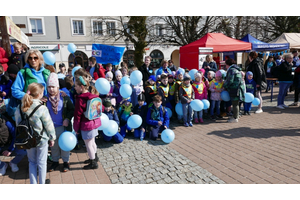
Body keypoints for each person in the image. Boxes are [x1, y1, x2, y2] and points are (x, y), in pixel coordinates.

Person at [14, 83, 56, 184]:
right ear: (39, 94)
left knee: (32, 162)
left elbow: (17, 122)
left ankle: (33, 184)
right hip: (41, 139)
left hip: (27, 139)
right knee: (42, 163)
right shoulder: (41, 108)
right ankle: (41, 183)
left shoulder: (20, 107)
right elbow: (48, 125)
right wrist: (52, 138)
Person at [46, 73, 74, 172]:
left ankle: (66, 161)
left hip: (63, 126)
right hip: (51, 127)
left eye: (53, 87)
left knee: (64, 144)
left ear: (57, 87)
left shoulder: (64, 97)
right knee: (54, 146)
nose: (51, 89)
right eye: (49, 87)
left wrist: (67, 118)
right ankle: (55, 161)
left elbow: (71, 109)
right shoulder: (45, 99)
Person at [73, 76, 101, 169]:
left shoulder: (80, 99)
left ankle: (93, 163)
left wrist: (76, 128)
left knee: (88, 144)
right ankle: (94, 157)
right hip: (95, 123)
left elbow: (77, 116)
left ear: (81, 87)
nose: (74, 88)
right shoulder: (93, 96)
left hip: (86, 125)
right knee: (92, 141)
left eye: (76, 86)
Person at [223, 58, 245, 123]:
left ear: (228, 64)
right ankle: (236, 116)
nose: (225, 66)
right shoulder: (236, 69)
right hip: (238, 88)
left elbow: (230, 80)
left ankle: (235, 118)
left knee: (235, 104)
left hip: (235, 89)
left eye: (226, 65)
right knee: (236, 103)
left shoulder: (231, 70)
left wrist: (224, 86)